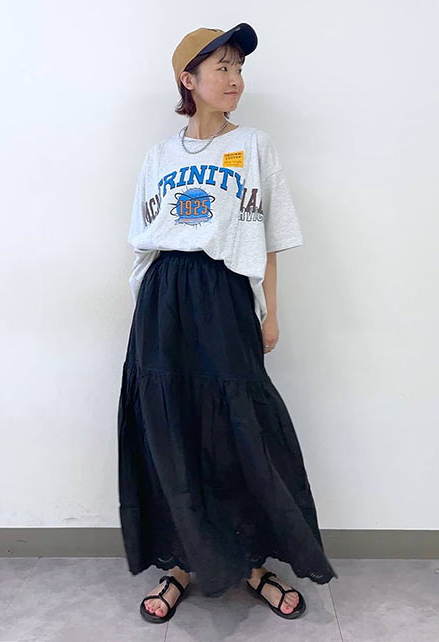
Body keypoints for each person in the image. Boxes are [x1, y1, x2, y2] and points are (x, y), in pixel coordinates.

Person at [117, 22, 338, 625]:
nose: (235, 78)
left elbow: (269, 236)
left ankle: (250, 563)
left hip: (223, 295)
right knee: (170, 427)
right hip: (164, 298)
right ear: (188, 79)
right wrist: (149, 311)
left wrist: (270, 311)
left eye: (239, 67)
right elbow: (145, 242)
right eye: (222, 67)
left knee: (238, 428)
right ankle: (181, 565)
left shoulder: (255, 146)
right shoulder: (159, 156)